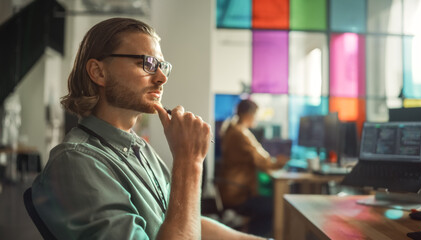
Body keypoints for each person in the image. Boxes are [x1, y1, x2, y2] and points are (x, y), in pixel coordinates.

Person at [31, 18, 268, 240]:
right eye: (148, 63)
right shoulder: (75, 161)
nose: (162, 78)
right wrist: (189, 162)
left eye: (162, 65)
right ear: (98, 72)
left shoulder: (139, 148)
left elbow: (187, 221)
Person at [218, 99, 289, 236]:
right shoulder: (240, 134)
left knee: (271, 204)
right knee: (276, 207)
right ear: (249, 114)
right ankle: (252, 237)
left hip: (231, 190)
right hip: (237, 193)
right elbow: (262, 161)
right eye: (256, 114)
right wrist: (281, 162)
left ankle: (249, 234)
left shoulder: (232, 129)